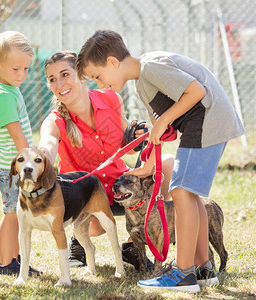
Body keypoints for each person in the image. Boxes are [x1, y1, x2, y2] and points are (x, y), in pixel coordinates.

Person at [75, 30, 245, 293]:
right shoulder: (141, 82)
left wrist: (164, 120)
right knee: (188, 194)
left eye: (98, 76)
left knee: (180, 192)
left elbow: (196, 91)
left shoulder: (151, 67)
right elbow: (163, 129)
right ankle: (203, 267)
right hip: (201, 125)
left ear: (112, 62)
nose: (100, 84)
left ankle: (183, 274)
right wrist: (150, 160)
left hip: (209, 122)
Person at [38, 51, 174, 270]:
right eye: (52, 79)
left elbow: (126, 138)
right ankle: (79, 240)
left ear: (81, 75)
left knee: (167, 163)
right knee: (96, 228)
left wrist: (137, 135)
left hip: (120, 185)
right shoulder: (55, 121)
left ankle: (133, 245)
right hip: (87, 196)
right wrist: (43, 153)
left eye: (65, 74)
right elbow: (48, 142)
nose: (59, 83)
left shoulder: (110, 98)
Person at [0, 31, 41, 276]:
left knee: (17, 213)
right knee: (11, 214)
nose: (22, 75)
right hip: (10, 168)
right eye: (16, 69)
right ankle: (7, 263)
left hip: (14, 165)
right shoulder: (2, 98)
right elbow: (18, 137)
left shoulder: (6, 87)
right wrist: (33, 161)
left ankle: (16, 260)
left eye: (26, 69)